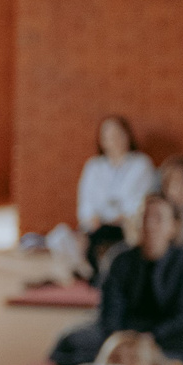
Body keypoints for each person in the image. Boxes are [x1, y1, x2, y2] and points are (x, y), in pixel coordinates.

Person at [49, 192, 183, 365]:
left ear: (173, 226)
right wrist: (123, 340)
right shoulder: (119, 259)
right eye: (144, 217)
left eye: (158, 218)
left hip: (165, 335)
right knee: (70, 340)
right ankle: (145, 361)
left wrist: (150, 338)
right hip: (124, 334)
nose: (149, 225)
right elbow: (109, 312)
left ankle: (140, 360)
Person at [70, 114, 155, 280]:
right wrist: (91, 218)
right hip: (96, 225)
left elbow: (142, 201)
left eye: (118, 134)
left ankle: (99, 273)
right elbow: (85, 202)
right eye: (108, 136)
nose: (114, 140)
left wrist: (119, 218)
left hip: (126, 226)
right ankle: (92, 272)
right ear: (101, 141)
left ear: (128, 136)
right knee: (64, 238)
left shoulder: (141, 164)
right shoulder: (93, 167)